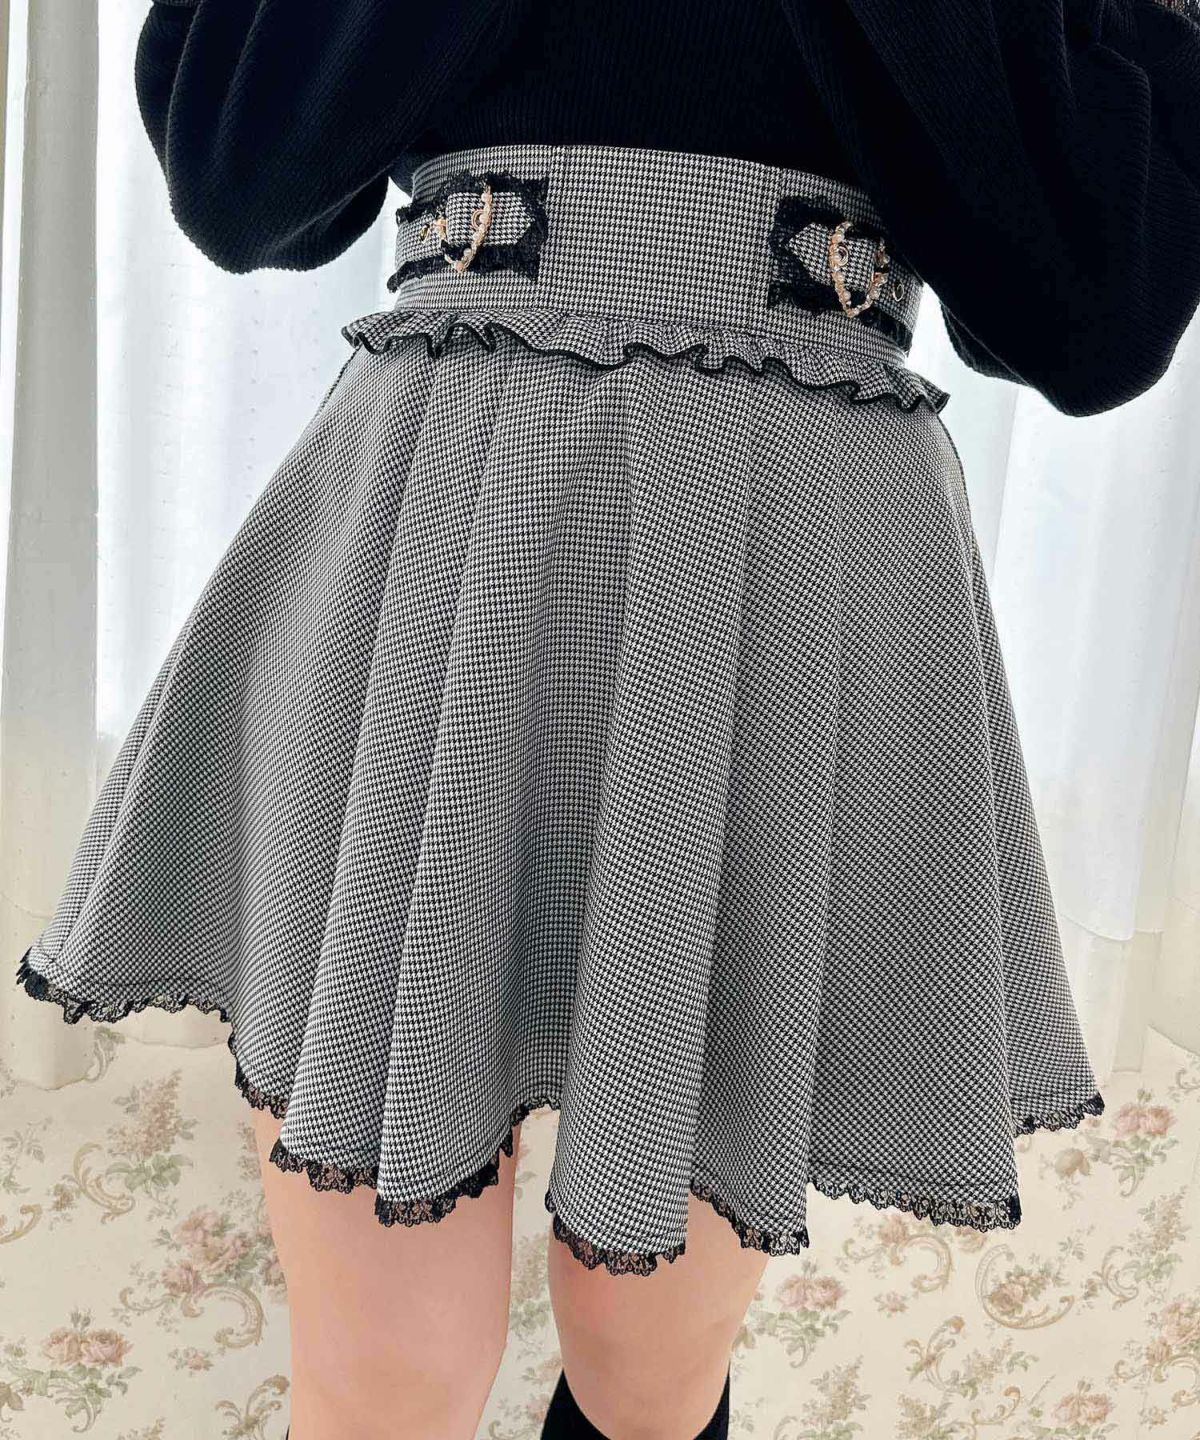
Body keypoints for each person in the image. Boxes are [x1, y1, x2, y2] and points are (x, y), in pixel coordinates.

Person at [14, 2, 1200, 1438]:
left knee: (647, 1379)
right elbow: (235, 172)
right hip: (461, 515)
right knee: (392, 1376)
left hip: (780, 558)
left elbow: (1099, 309)